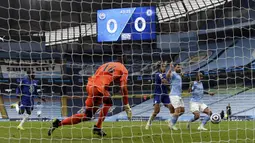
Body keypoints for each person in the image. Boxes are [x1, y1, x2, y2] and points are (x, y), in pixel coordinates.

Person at [48, 56, 132, 137]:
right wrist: (126, 104)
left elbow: (99, 77)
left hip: (90, 85)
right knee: (108, 103)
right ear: (125, 63)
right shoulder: (123, 69)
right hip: (98, 88)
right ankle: (98, 127)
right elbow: (123, 87)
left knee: (87, 116)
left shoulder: (106, 64)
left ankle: (58, 123)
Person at [145, 61, 174, 130]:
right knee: (156, 111)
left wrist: (170, 69)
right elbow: (165, 82)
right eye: (163, 66)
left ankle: (170, 123)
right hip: (158, 94)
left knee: (171, 107)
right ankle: (149, 122)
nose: (164, 68)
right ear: (159, 67)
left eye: (165, 66)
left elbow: (168, 77)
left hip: (165, 94)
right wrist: (170, 83)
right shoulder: (158, 74)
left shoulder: (165, 74)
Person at [167, 63, 184, 130]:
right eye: (177, 67)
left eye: (180, 67)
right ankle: (171, 125)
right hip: (174, 95)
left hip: (179, 95)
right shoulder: (173, 74)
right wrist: (170, 68)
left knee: (182, 111)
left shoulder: (179, 75)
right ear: (175, 68)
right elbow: (168, 76)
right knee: (177, 110)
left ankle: (171, 119)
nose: (179, 68)